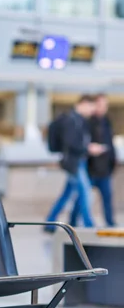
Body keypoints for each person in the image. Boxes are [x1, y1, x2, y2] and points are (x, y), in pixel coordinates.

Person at [45, 94, 106, 232]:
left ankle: (50, 221)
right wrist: (88, 148)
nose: (92, 111)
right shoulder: (71, 120)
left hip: (78, 162)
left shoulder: (79, 120)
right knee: (86, 193)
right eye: (91, 107)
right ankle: (89, 225)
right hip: (74, 163)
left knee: (67, 195)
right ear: (84, 103)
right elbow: (70, 142)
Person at [69, 93, 116, 227]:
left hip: (105, 168)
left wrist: (112, 162)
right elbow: (80, 143)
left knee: (107, 197)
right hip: (90, 168)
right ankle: (75, 222)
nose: (103, 108)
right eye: (100, 104)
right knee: (83, 197)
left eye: (105, 105)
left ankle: (110, 222)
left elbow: (110, 143)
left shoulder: (106, 121)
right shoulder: (87, 121)